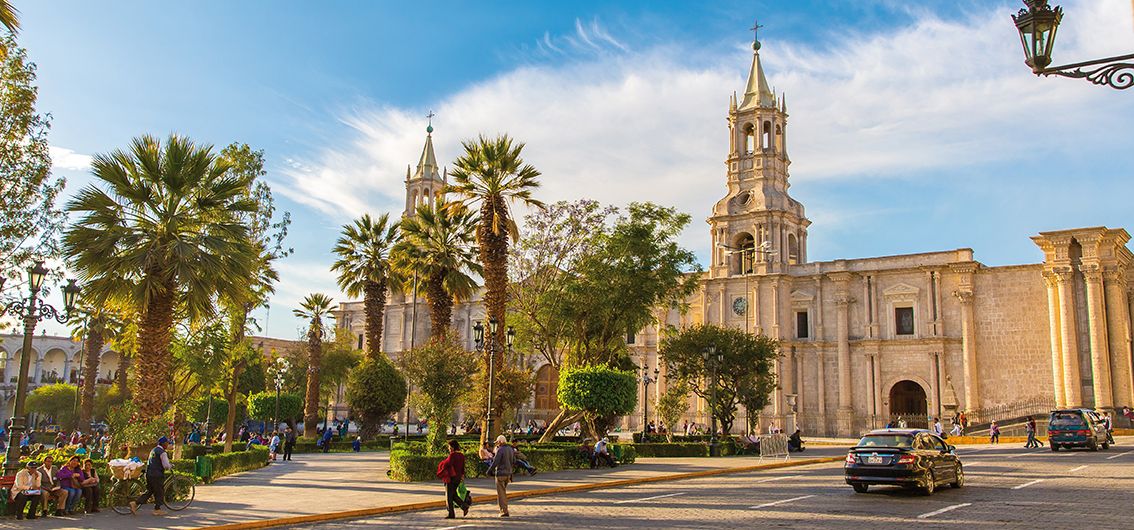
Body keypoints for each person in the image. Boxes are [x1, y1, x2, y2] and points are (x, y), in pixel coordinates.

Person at [131, 436, 172, 516]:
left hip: (149, 473)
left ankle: (135, 503)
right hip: (157, 475)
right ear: (163, 444)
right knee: (159, 492)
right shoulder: (162, 452)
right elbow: (166, 466)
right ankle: (157, 509)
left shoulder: (153, 450)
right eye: (167, 443)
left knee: (150, 491)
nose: (168, 444)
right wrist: (170, 466)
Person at [437, 439, 471, 519]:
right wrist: (462, 476)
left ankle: (451, 513)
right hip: (458, 477)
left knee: (449, 496)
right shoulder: (461, 455)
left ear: (452, 447)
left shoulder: (453, 455)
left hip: (451, 477)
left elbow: (447, 464)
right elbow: (463, 467)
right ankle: (464, 506)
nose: (449, 448)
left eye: (449, 447)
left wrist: (442, 463)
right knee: (453, 494)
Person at [487, 435, 516, 518]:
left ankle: (504, 511)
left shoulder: (500, 450)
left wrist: (489, 470)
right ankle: (504, 509)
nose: (497, 445)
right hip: (508, 474)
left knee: (501, 494)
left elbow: (495, 462)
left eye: (497, 443)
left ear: (500, 442)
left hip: (500, 474)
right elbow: (514, 461)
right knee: (503, 492)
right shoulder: (511, 449)